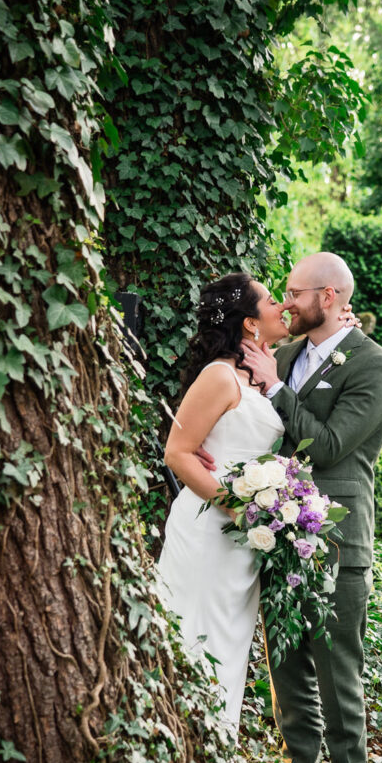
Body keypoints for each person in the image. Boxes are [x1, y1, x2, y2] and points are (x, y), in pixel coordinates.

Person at [240, 251, 382, 763]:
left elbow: (328, 447)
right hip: (277, 537)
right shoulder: (282, 354)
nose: (287, 302)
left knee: (338, 677)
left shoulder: (373, 366)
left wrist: (277, 388)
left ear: (329, 297)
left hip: (337, 541)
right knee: (286, 673)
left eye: (296, 293)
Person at [157, 272, 287, 729]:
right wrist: (240, 507)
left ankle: (214, 752)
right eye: (273, 301)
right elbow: (178, 452)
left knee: (228, 645)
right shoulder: (218, 375)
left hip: (245, 542)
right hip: (210, 530)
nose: (283, 307)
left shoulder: (261, 374)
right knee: (195, 635)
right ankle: (174, 741)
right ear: (251, 322)